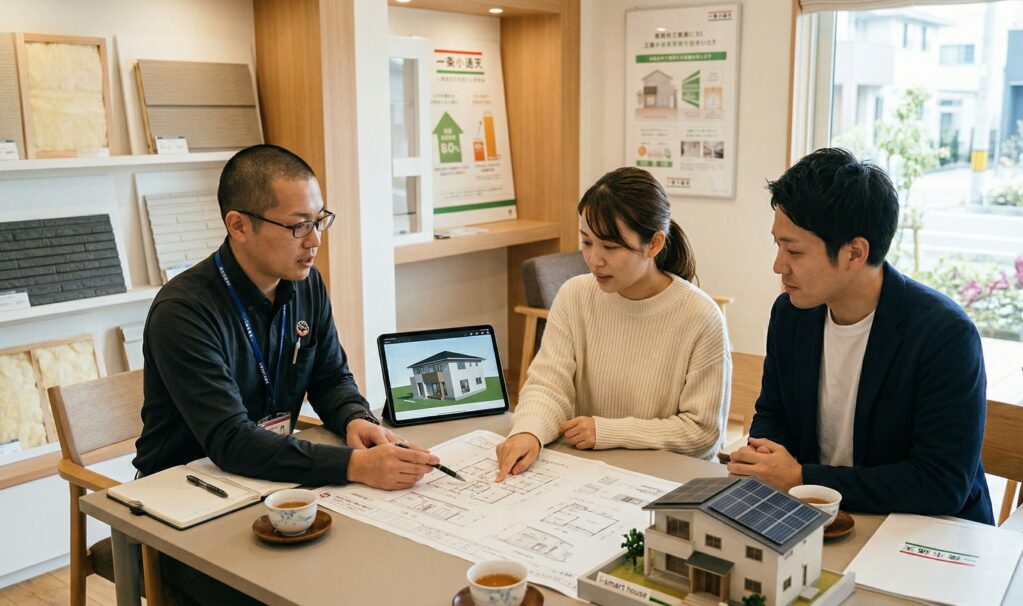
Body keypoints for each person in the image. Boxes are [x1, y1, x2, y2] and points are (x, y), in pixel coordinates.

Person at [134, 145, 438, 603]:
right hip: (183, 504)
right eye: (298, 226)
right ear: (239, 225)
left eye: (319, 221)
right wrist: (354, 466)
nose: (314, 240)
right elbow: (231, 441)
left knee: (370, 568)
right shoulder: (184, 312)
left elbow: (330, 377)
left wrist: (356, 419)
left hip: (267, 479)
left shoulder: (305, 282)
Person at [728, 148, 993, 525]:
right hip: (819, 517)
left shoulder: (944, 334)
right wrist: (766, 462)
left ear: (854, 252)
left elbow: (942, 483)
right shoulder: (791, 313)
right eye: (778, 245)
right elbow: (774, 413)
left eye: (794, 251)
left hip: (924, 531)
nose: (778, 266)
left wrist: (803, 478)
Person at [495, 167, 731, 481]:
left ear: (654, 244)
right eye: (586, 242)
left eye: (610, 247)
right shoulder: (575, 296)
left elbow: (702, 433)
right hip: (588, 472)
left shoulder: (700, 316)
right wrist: (529, 432)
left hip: (666, 480)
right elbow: (548, 386)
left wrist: (608, 431)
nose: (594, 259)